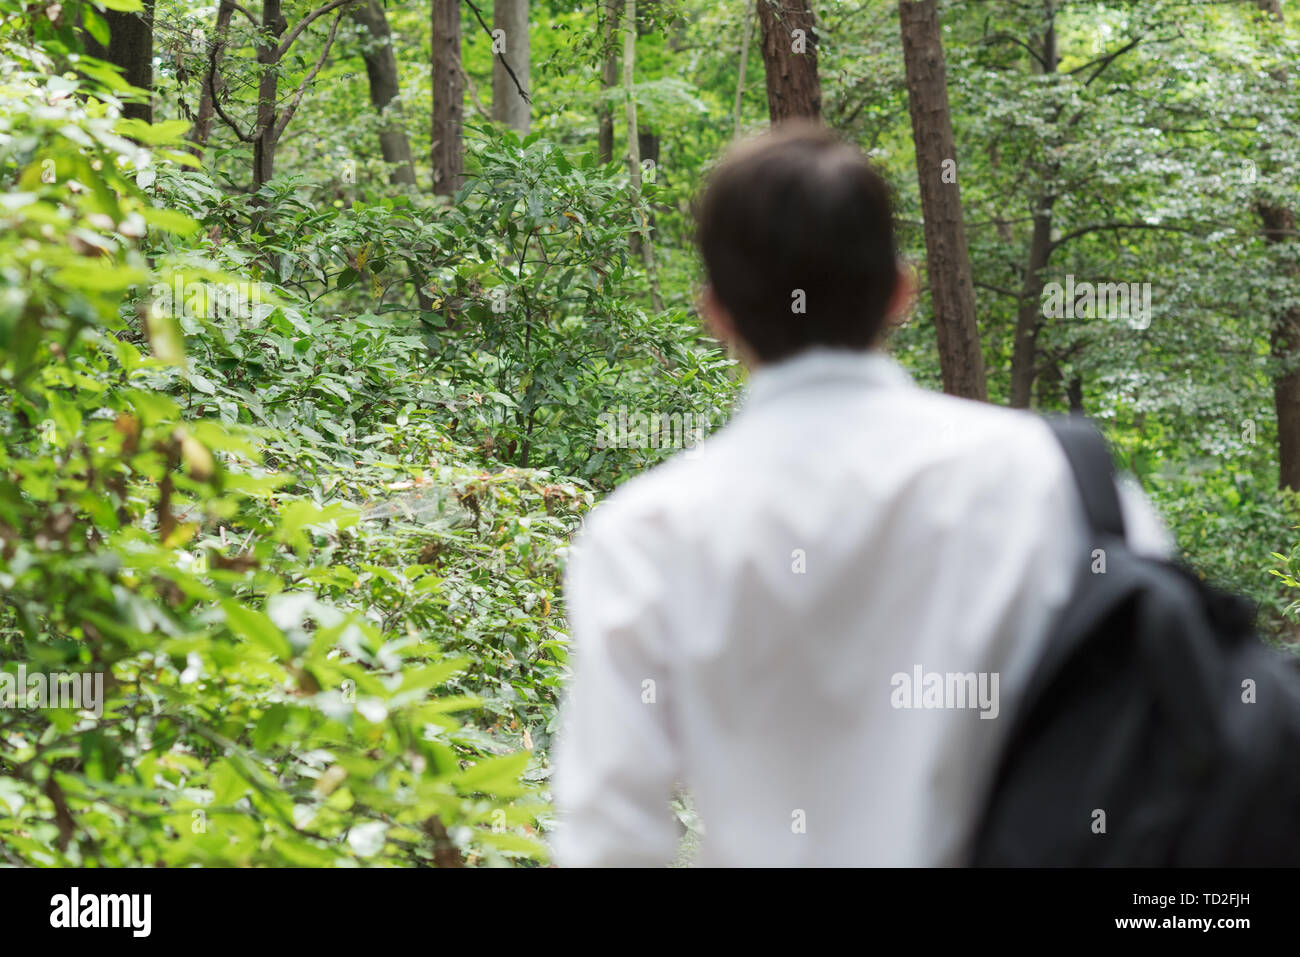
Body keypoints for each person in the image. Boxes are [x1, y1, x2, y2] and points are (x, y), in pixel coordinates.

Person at [550, 122, 1170, 867]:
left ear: (713, 311)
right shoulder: (1058, 480)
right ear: (901, 291)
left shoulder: (644, 535)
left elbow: (610, 837)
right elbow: (1173, 737)